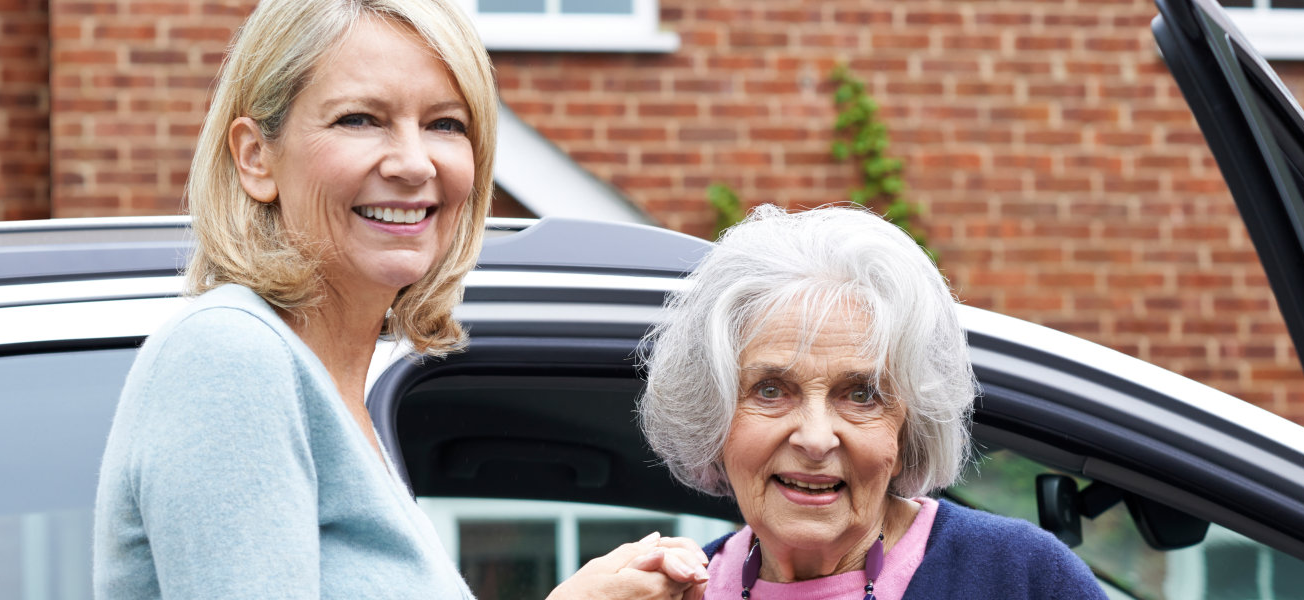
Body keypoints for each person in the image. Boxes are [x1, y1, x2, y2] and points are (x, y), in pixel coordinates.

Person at [92, 0, 706, 597]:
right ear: (257, 158)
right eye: (360, 119)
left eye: (446, 124)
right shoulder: (229, 357)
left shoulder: (337, 398)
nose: (415, 164)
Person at [638, 205, 1108, 599]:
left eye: (862, 395)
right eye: (771, 390)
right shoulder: (680, 594)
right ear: (714, 417)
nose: (816, 439)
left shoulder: (1017, 576)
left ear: (907, 430)